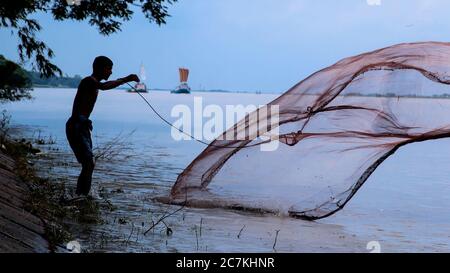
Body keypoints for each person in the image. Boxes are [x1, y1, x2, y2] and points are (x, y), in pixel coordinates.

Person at [66, 56, 139, 197]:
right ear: (100, 68)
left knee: (89, 164)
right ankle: (80, 196)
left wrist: (85, 120)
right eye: (109, 69)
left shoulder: (94, 83)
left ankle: (81, 195)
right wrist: (126, 79)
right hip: (76, 126)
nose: (110, 72)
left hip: (82, 126)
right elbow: (105, 87)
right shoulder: (89, 81)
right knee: (89, 163)